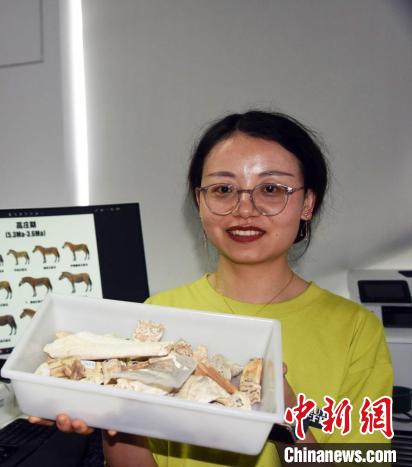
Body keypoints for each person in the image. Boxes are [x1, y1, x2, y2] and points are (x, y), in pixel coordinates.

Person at [31, 110, 393, 466]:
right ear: (200, 202)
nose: (244, 209)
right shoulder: (159, 314)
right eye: (223, 189)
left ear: (307, 203)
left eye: (270, 189)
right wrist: (111, 414)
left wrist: (287, 417)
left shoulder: (355, 331)